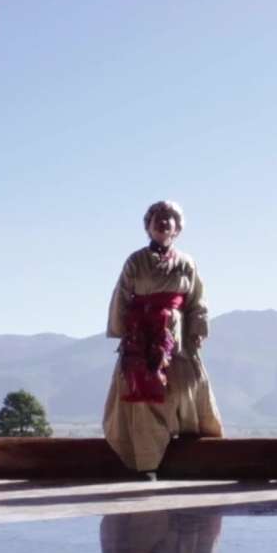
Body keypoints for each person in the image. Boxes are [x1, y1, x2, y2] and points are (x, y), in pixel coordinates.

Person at [102, 201, 223, 478]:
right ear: (148, 226)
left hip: (178, 337)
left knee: (186, 387)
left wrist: (197, 330)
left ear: (178, 228)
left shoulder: (187, 262)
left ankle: (193, 445)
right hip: (141, 336)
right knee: (144, 396)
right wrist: (124, 333)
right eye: (157, 218)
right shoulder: (135, 261)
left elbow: (197, 300)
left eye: (169, 218)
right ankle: (147, 463)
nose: (163, 222)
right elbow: (121, 297)